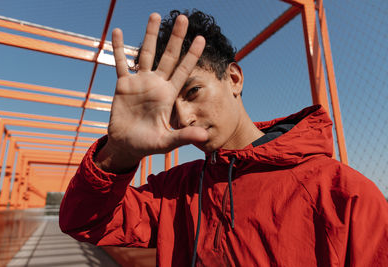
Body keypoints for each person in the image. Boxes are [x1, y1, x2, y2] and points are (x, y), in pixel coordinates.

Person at [59, 9, 388, 266]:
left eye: (193, 91)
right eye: (170, 108)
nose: (183, 118)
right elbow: (81, 222)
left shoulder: (344, 195)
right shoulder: (175, 192)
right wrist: (119, 152)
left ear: (233, 78)